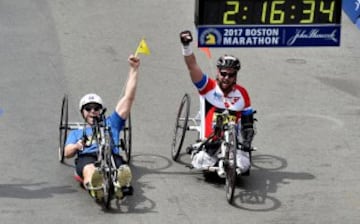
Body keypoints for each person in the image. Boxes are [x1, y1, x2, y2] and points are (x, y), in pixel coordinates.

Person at [64, 54, 140, 200]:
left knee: (121, 168)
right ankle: (95, 188)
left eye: (96, 108)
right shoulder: (77, 132)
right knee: (89, 169)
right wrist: (76, 146)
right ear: (82, 112)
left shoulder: (112, 123)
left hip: (111, 156)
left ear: (101, 110)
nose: (93, 111)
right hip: (87, 157)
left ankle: (119, 183)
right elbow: (67, 152)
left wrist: (134, 69)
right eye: (88, 108)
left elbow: (128, 98)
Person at [179, 30, 255, 176]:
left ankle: (232, 167)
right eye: (223, 73)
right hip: (211, 141)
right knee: (199, 162)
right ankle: (213, 158)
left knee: (244, 165)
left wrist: (246, 142)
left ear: (235, 76)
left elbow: (248, 123)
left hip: (233, 142)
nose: (226, 78)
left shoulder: (242, 93)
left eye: (231, 75)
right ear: (218, 72)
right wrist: (186, 46)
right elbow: (192, 66)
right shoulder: (208, 86)